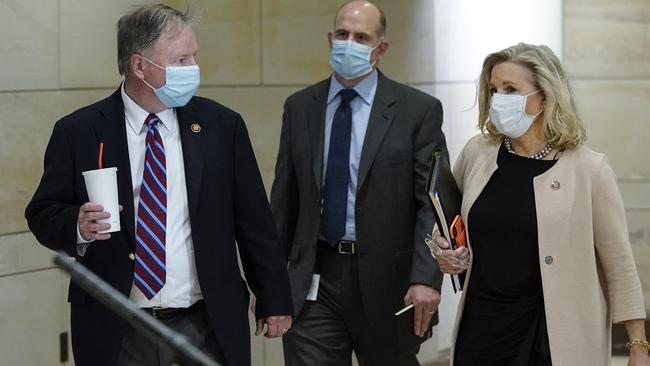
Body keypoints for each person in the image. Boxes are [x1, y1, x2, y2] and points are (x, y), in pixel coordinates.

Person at [24, 4, 292, 366]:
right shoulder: (79, 131)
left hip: (204, 322)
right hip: (117, 325)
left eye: (194, 56)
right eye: (181, 60)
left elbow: (254, 221)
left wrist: (273, 298)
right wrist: (77, 225)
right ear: (139, 66)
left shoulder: (221, 126)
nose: (193, 69)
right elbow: (42, 213)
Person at [430, 43, 649, 366]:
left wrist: (638, 346)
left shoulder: (589, 169)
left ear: (544, 96)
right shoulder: (478, 152)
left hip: (555, 336)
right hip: (483, 327)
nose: (498, 99)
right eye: (493, 90)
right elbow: (446, 223)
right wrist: (442, 251)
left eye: (510, 89)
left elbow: (620, 265)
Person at [269, 1, 447, 365]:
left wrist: (426, 277)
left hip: (388, 283)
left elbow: (431, 202)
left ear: (380, 49)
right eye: (342, 35)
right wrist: (269, 281)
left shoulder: (417, 110)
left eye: (361, 37)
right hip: (316, 276)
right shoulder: (300, 107)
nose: (349, 43)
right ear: (330, 39)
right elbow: (284, 200)